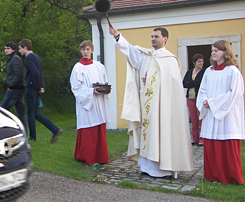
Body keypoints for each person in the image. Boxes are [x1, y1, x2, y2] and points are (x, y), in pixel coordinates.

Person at [108, 25, 193, 178]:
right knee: (147, 132)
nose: (153, 39)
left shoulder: (170, 60)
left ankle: (163, 169)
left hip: (162, 107)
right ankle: (147, 167)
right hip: (146, 105)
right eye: (152, 36)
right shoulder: (145, 56)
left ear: (165, 39)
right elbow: (130, 51)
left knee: (161, 133)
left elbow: (172, 88)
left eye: (157, 36)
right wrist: (117, 36)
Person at [196, 40, 244, 185]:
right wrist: (205, 101)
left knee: (226, 147)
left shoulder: (233, 71)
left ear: (226, 52)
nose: (213, 53)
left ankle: (229, 177)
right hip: (211, 115)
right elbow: (202, 90)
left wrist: (212, 103)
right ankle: (212, 175)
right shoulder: (209, 71)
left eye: (216, 50)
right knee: (212, 147)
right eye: (212, 51)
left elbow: (235, 94)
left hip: (227, 116)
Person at [70, 40, 110, 169]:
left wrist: (104, 89)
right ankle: (88, 159)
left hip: (99, 102)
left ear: (92, 50)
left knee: (99, 131)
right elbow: (76, 87)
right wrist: (91, 91)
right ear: (80, 51)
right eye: (83, 50)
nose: (85, 52)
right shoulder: (78, 67)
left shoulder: (99, 66)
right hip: (87, 104)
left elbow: (105, 80)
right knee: (89, 132)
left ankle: (100, 159)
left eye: (88, 49)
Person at [18, 39, 63, 143]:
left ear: (25, 47)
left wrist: (38, 87)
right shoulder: (37, 57)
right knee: (35, 113)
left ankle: (33, 138)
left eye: (20, 48)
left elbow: (35, 73)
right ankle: (54, 129)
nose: (19, 51)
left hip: (32, 87)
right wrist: (41, 86)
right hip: (37, 87)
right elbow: (40, 73)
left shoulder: (28, 58)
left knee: (30, 114)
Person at [0, 42, 27, 131]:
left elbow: (19, 74)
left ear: (13, 50)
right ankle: (24, 133)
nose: (6, 50)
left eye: (8, 48)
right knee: (20, 113)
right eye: (5, 48)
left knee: (2, 110)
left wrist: (11, 85)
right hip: (18, 88)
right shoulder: (12, 59)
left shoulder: (15, 59)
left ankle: (2, 130)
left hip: (15, 88)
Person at [183, 53, 206, 146]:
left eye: (202, 61)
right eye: (199, 61)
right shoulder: (189, 72)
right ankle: (195, 138)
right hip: (190, 97)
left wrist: (191, 83)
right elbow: (184, 83)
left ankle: (202, 138)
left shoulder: (204, 71)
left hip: (199, 97)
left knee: (200, 117)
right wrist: (193, 83)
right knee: (193, 119)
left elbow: (200, 83)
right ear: (194, 62)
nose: (201, 63)